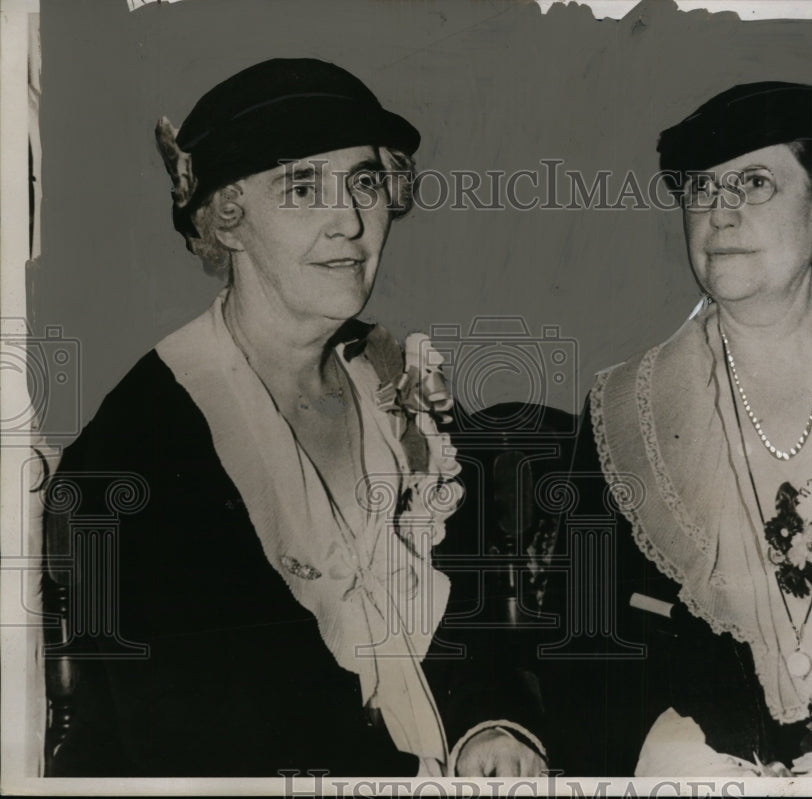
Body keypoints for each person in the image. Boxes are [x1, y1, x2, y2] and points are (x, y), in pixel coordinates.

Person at [42, 58, 546, 778]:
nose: (349, 221)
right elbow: (222, 735)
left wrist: (490, 728)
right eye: (301, 187)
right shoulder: (144, 440)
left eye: (366, 182)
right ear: (227, 217)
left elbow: (471, 629)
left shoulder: (394, 392)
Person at [541, 82, 812, 777]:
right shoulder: (625, 410)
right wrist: (689, 752)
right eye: (702, 189)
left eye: (754, 182)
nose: (720, 212)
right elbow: (587, 638)